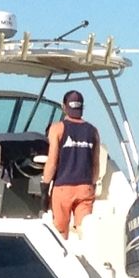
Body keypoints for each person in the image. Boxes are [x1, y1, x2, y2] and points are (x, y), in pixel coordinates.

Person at [42, 90, 100, 239]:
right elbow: (95, 165)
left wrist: (44, 188)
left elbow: (52, 162)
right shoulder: (93, 131)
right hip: (85, 188)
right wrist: (92, 185)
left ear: (64, 106)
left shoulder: (57, 128)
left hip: (63, 188)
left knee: (59, 234)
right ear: (82, 108)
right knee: (84, 231)